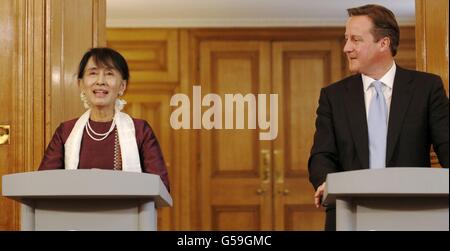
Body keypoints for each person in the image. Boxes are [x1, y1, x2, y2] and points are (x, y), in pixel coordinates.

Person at [308, 4, 449, 231]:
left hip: (412, 216)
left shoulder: (426, 88)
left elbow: (447, 145)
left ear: (384, 43)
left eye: (355, 40)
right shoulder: (333, 96)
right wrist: (326, 183)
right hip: (349, 214)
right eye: (346, 39)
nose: (346, 48)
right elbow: (321, 155)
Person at [39, 47, 170, 191]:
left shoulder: (140, 130)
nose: (100, 81)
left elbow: (161, 186)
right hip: (76, 212)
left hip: (126, 213)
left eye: (109, 74)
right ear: (81, 84)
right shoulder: (66, 131)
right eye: (93, 73)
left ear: (122, 86)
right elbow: (44, 184)